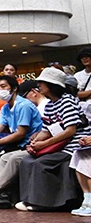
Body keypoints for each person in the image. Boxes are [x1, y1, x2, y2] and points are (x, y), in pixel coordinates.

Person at [12, 67, 91, 211]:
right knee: (26, 161)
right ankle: (28, 199)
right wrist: (35, 142)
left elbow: (70, 130)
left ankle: (43, 203)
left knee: (41, 163)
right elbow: (46, 129)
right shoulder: (50, 105)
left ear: (52, 85)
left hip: (72, 147)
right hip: (59, 145)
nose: (39, 86)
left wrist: (44, 144)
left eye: (42, 83)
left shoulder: (67, 102)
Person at [71, 48, 91, 116]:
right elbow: (76, 94)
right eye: (82, 58)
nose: (84, 59)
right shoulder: (77, 75)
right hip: (84, 111)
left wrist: (84, 93)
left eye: (87, 57)